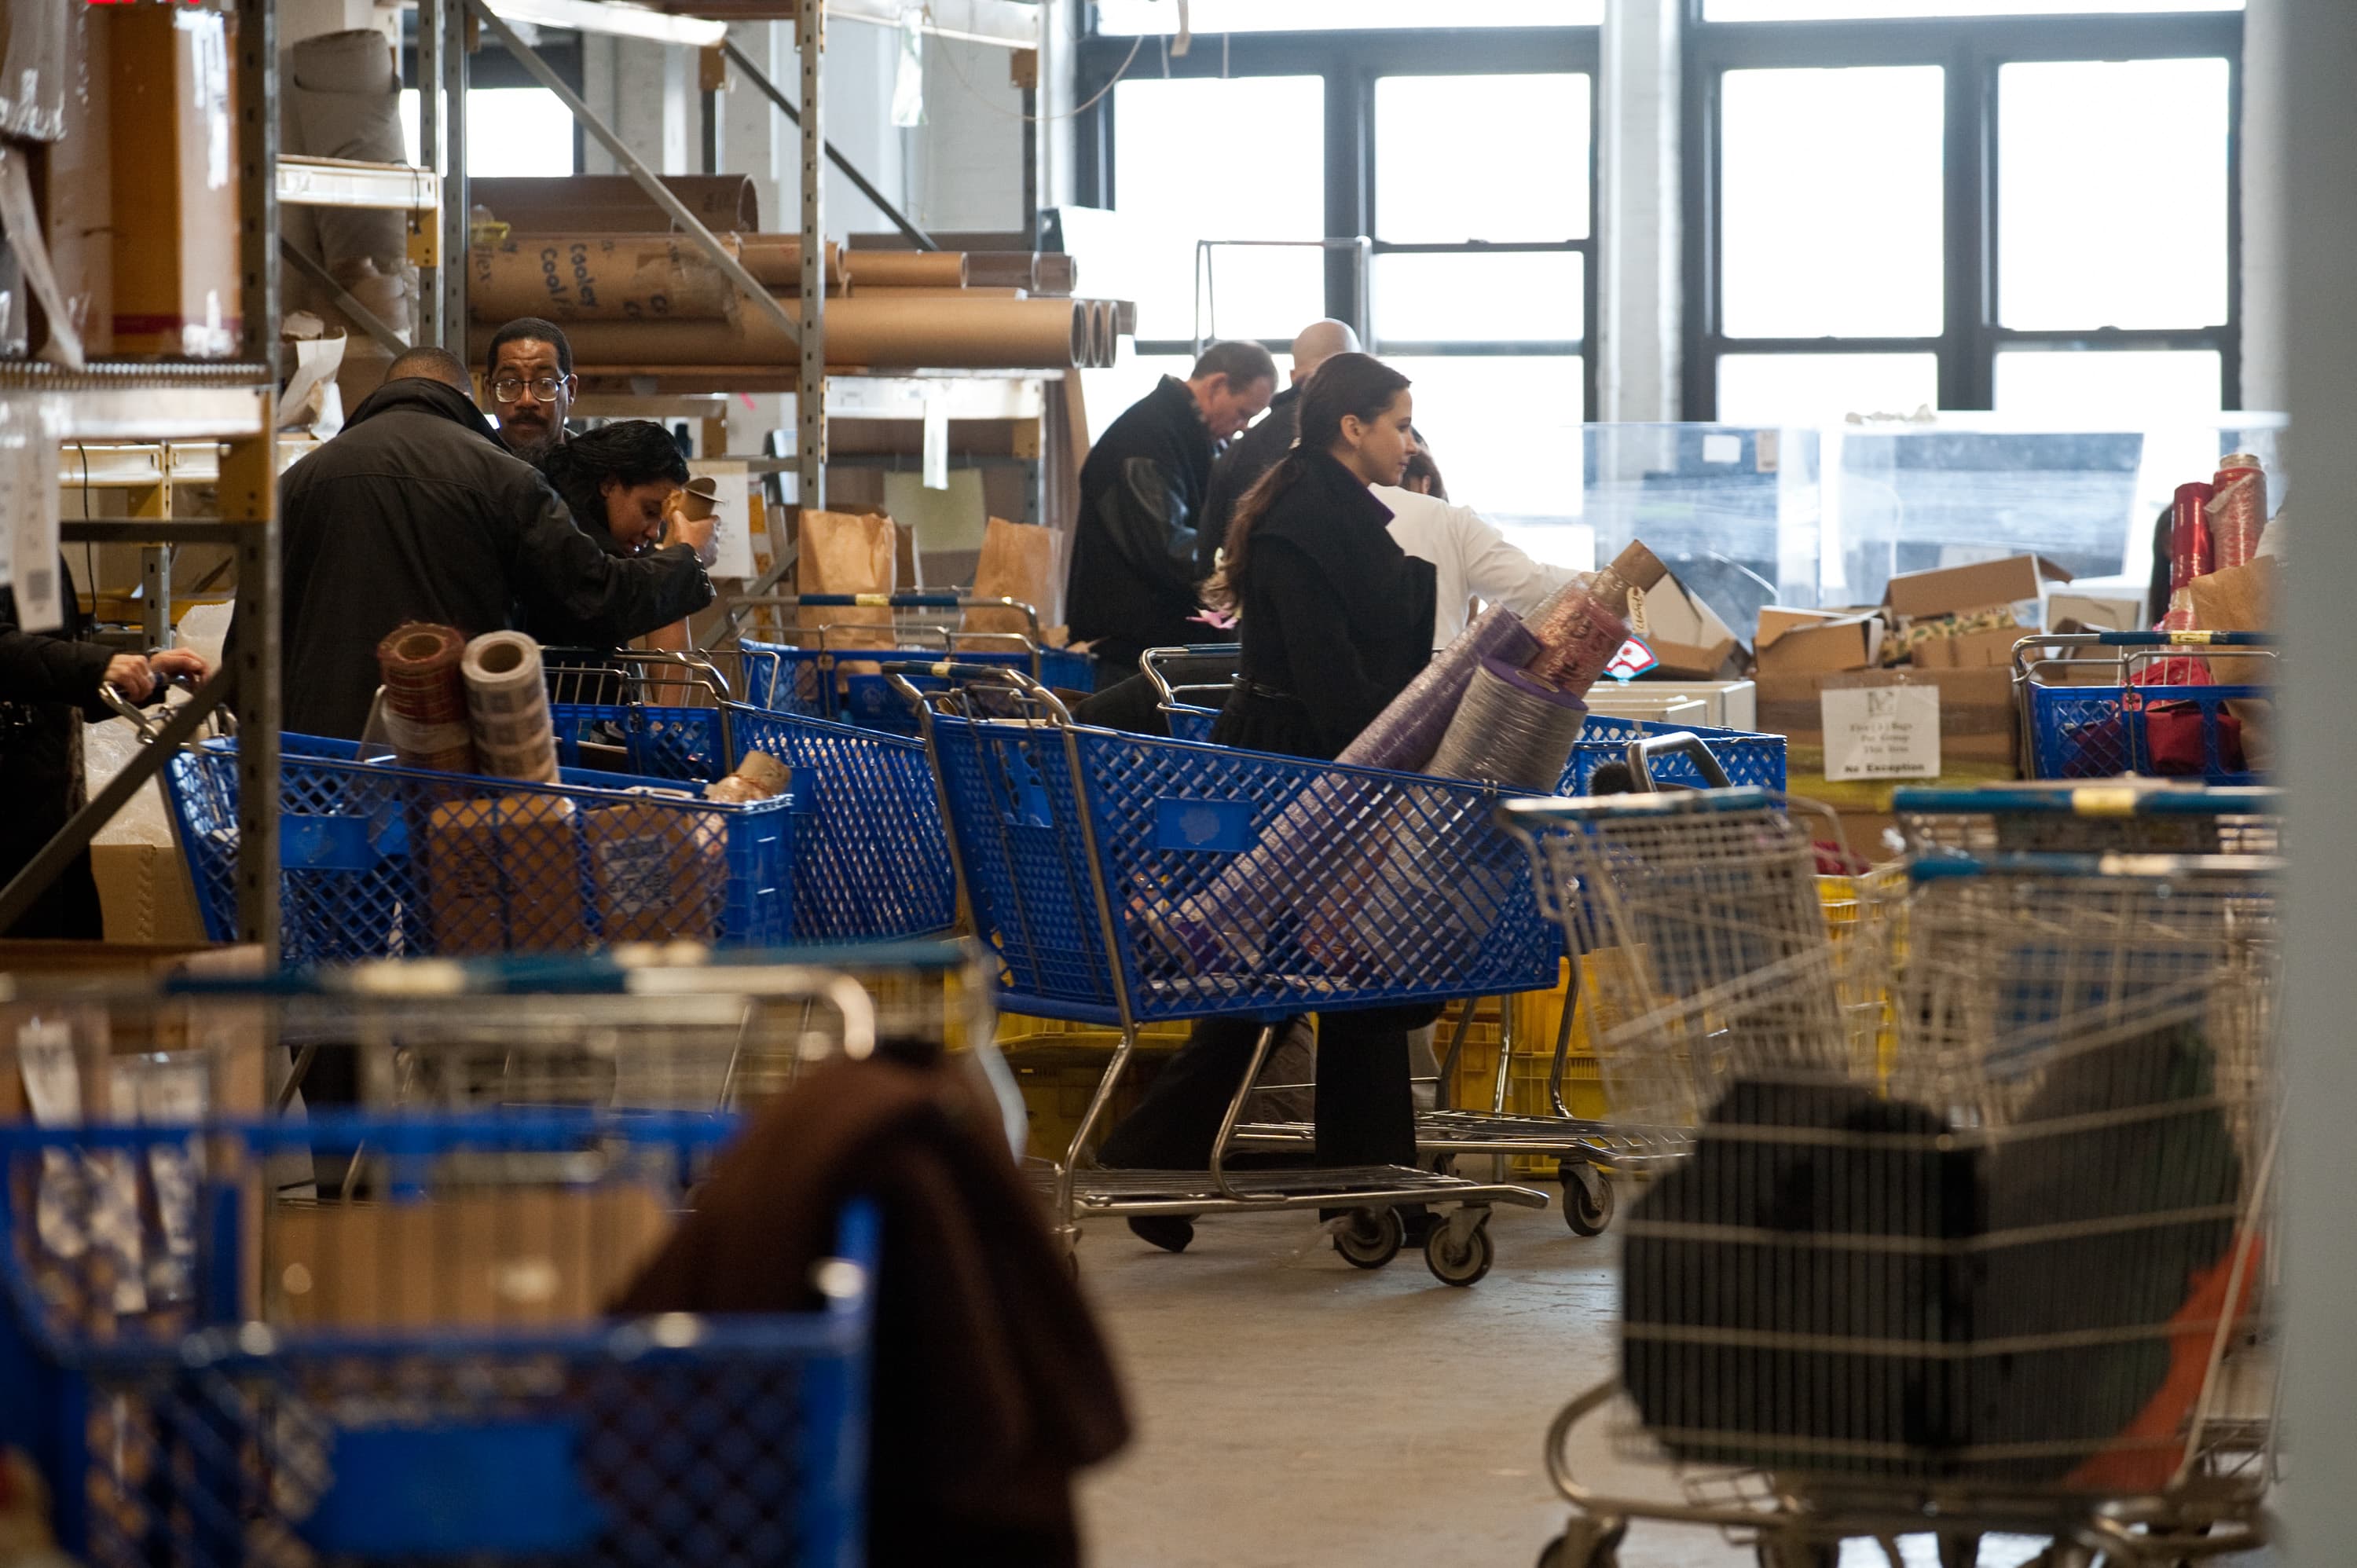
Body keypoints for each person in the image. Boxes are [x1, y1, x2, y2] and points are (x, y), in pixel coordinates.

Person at [1097, 354, 1439, 1253]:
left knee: (1284, 977)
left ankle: (1160, 1158)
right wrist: (1387, 771)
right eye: (1399, 423)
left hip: (1310, 764)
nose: (1410, 442)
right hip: (1304, 770)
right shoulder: (1304, 522)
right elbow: (1328, 675)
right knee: (1338, 970)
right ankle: (1368, 1186)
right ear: (1352, 428)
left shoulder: (1321, 513)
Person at [266, 345, 716, 741]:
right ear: (467, 400)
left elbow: (254, 633)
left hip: (310, 756)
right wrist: (687, 557)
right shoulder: (504, 479)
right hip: (445, 748)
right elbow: (593, 596)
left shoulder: (295, 484)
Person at [0, 561, 210, 937]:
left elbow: (44, 683)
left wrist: (145, 673)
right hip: (14, 819)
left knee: (58, 970)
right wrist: (96, 667)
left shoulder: (28, 532)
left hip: (47, 820)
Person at [1066, 339, 1276, 680]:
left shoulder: (1183, 436)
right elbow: (1167, 546)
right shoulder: (1145, 438)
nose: (1244, 428)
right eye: (1243, 413)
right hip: (1134, 657)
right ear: (1217, 385)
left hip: (1155, 647)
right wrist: (1242, 568)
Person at [1373, 437, 1583, 650]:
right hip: (1427, 678)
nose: (1409, 445)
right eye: (1401, 427)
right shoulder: (1445, 519)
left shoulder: (1341, 514)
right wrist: (1613, 583)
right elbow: (1534, 588)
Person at [1194, 319, 1360, 582]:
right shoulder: (1372, 440)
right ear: (1356, 368)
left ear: (1294, 376)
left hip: (1253, 614)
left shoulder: (1238, 453)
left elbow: (1209, 561)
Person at [485, 316, 577, 462]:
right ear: (490, 391)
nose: (526, 401)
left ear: (571, 391)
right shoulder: (468, 471)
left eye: (545, 384)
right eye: (509, 384)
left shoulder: (598, 476)